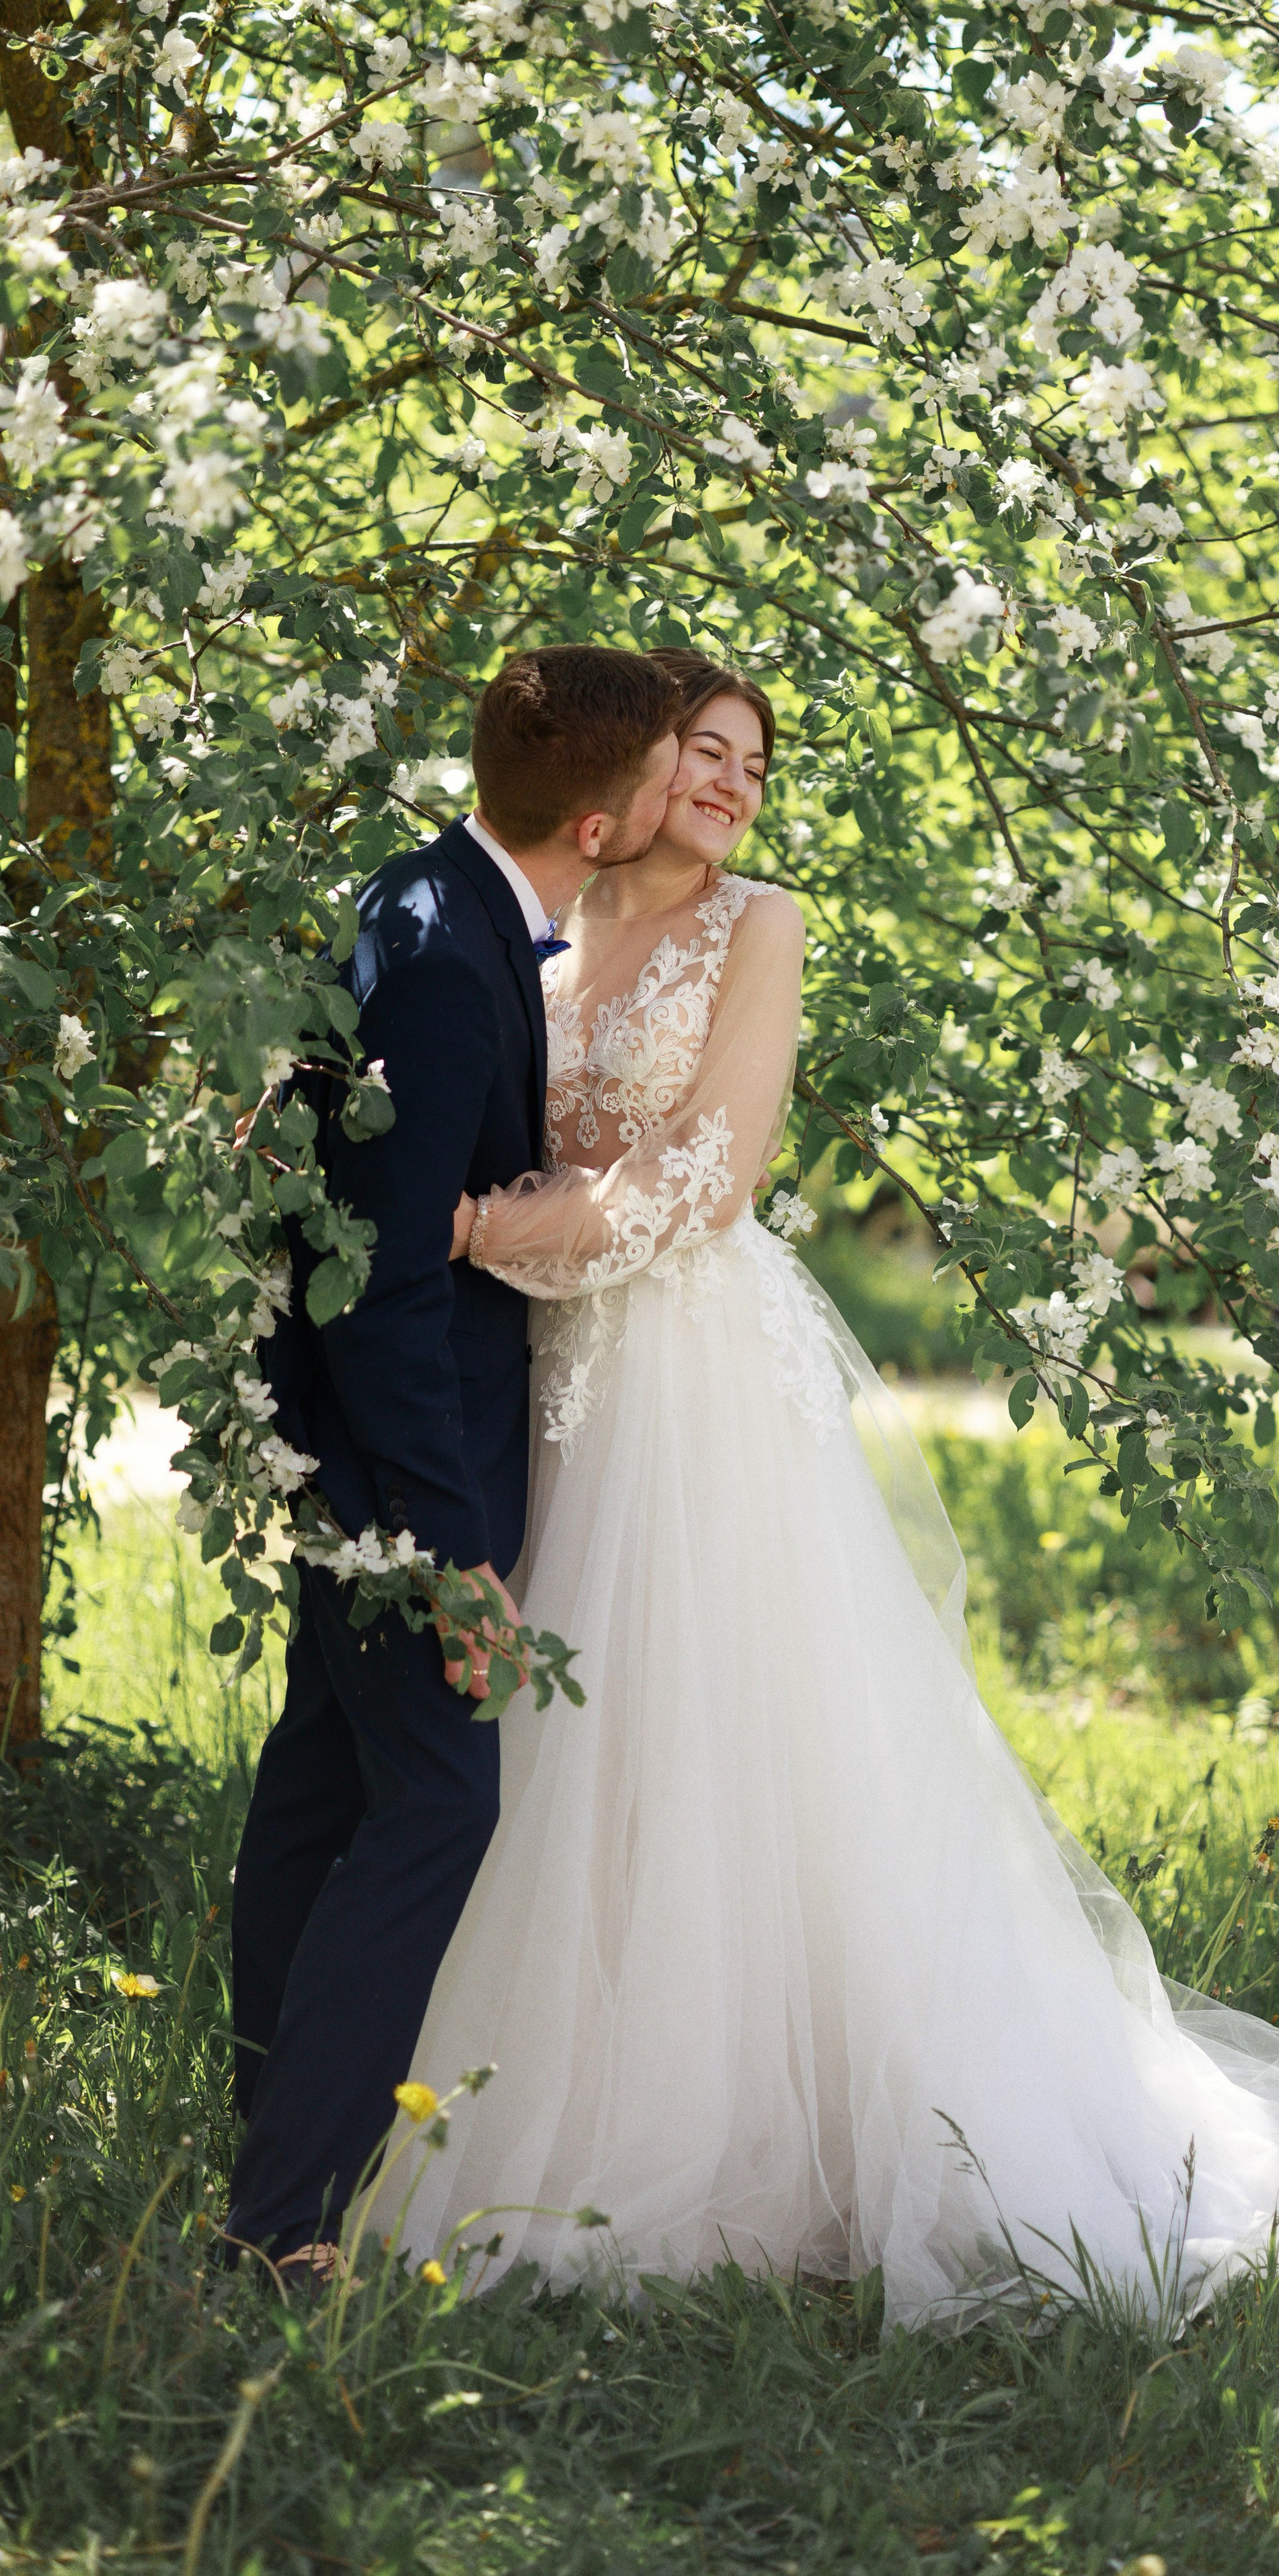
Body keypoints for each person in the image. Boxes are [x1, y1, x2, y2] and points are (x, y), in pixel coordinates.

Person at [391, 650, 1279, 2334]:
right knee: (573, 1724)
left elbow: (705, 1177)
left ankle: (773, 2130)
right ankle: (565, 2070)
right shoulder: (532, 923)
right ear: (625, 768)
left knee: (730, 1729)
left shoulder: (754, 926)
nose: (733, 782)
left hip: (690, 1368)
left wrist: (472, 1231)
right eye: (705, 750)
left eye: (754, 763)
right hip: (549, 1373)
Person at [225, 645, 687, 2276]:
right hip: (389, 1468)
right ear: (597, 815)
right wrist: (448, 1542)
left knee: (321, 1788)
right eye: (658, 778)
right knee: (438, 1799)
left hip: (358, 1451)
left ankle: (264, 2150)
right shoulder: (441, 956)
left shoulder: (442, 900)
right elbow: (387, 1283)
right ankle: (282, 2224)